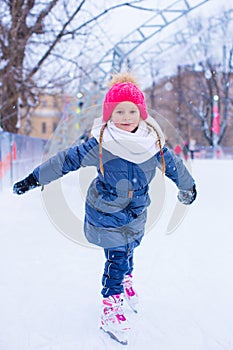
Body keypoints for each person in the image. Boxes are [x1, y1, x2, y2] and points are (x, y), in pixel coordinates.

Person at [13, 72, 197, 345]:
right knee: (118, 254)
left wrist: (188, 188)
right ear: (110, 115)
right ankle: (110, 308)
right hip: (106, 212)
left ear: (141, 113)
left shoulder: (152, 145)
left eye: (131, 110)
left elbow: (175, 168)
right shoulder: (101, 145)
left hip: (136, 211)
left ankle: (125, 279)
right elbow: (65, 160)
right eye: (119, 111)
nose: (125, 116)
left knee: (131, 245)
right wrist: (34, 179)